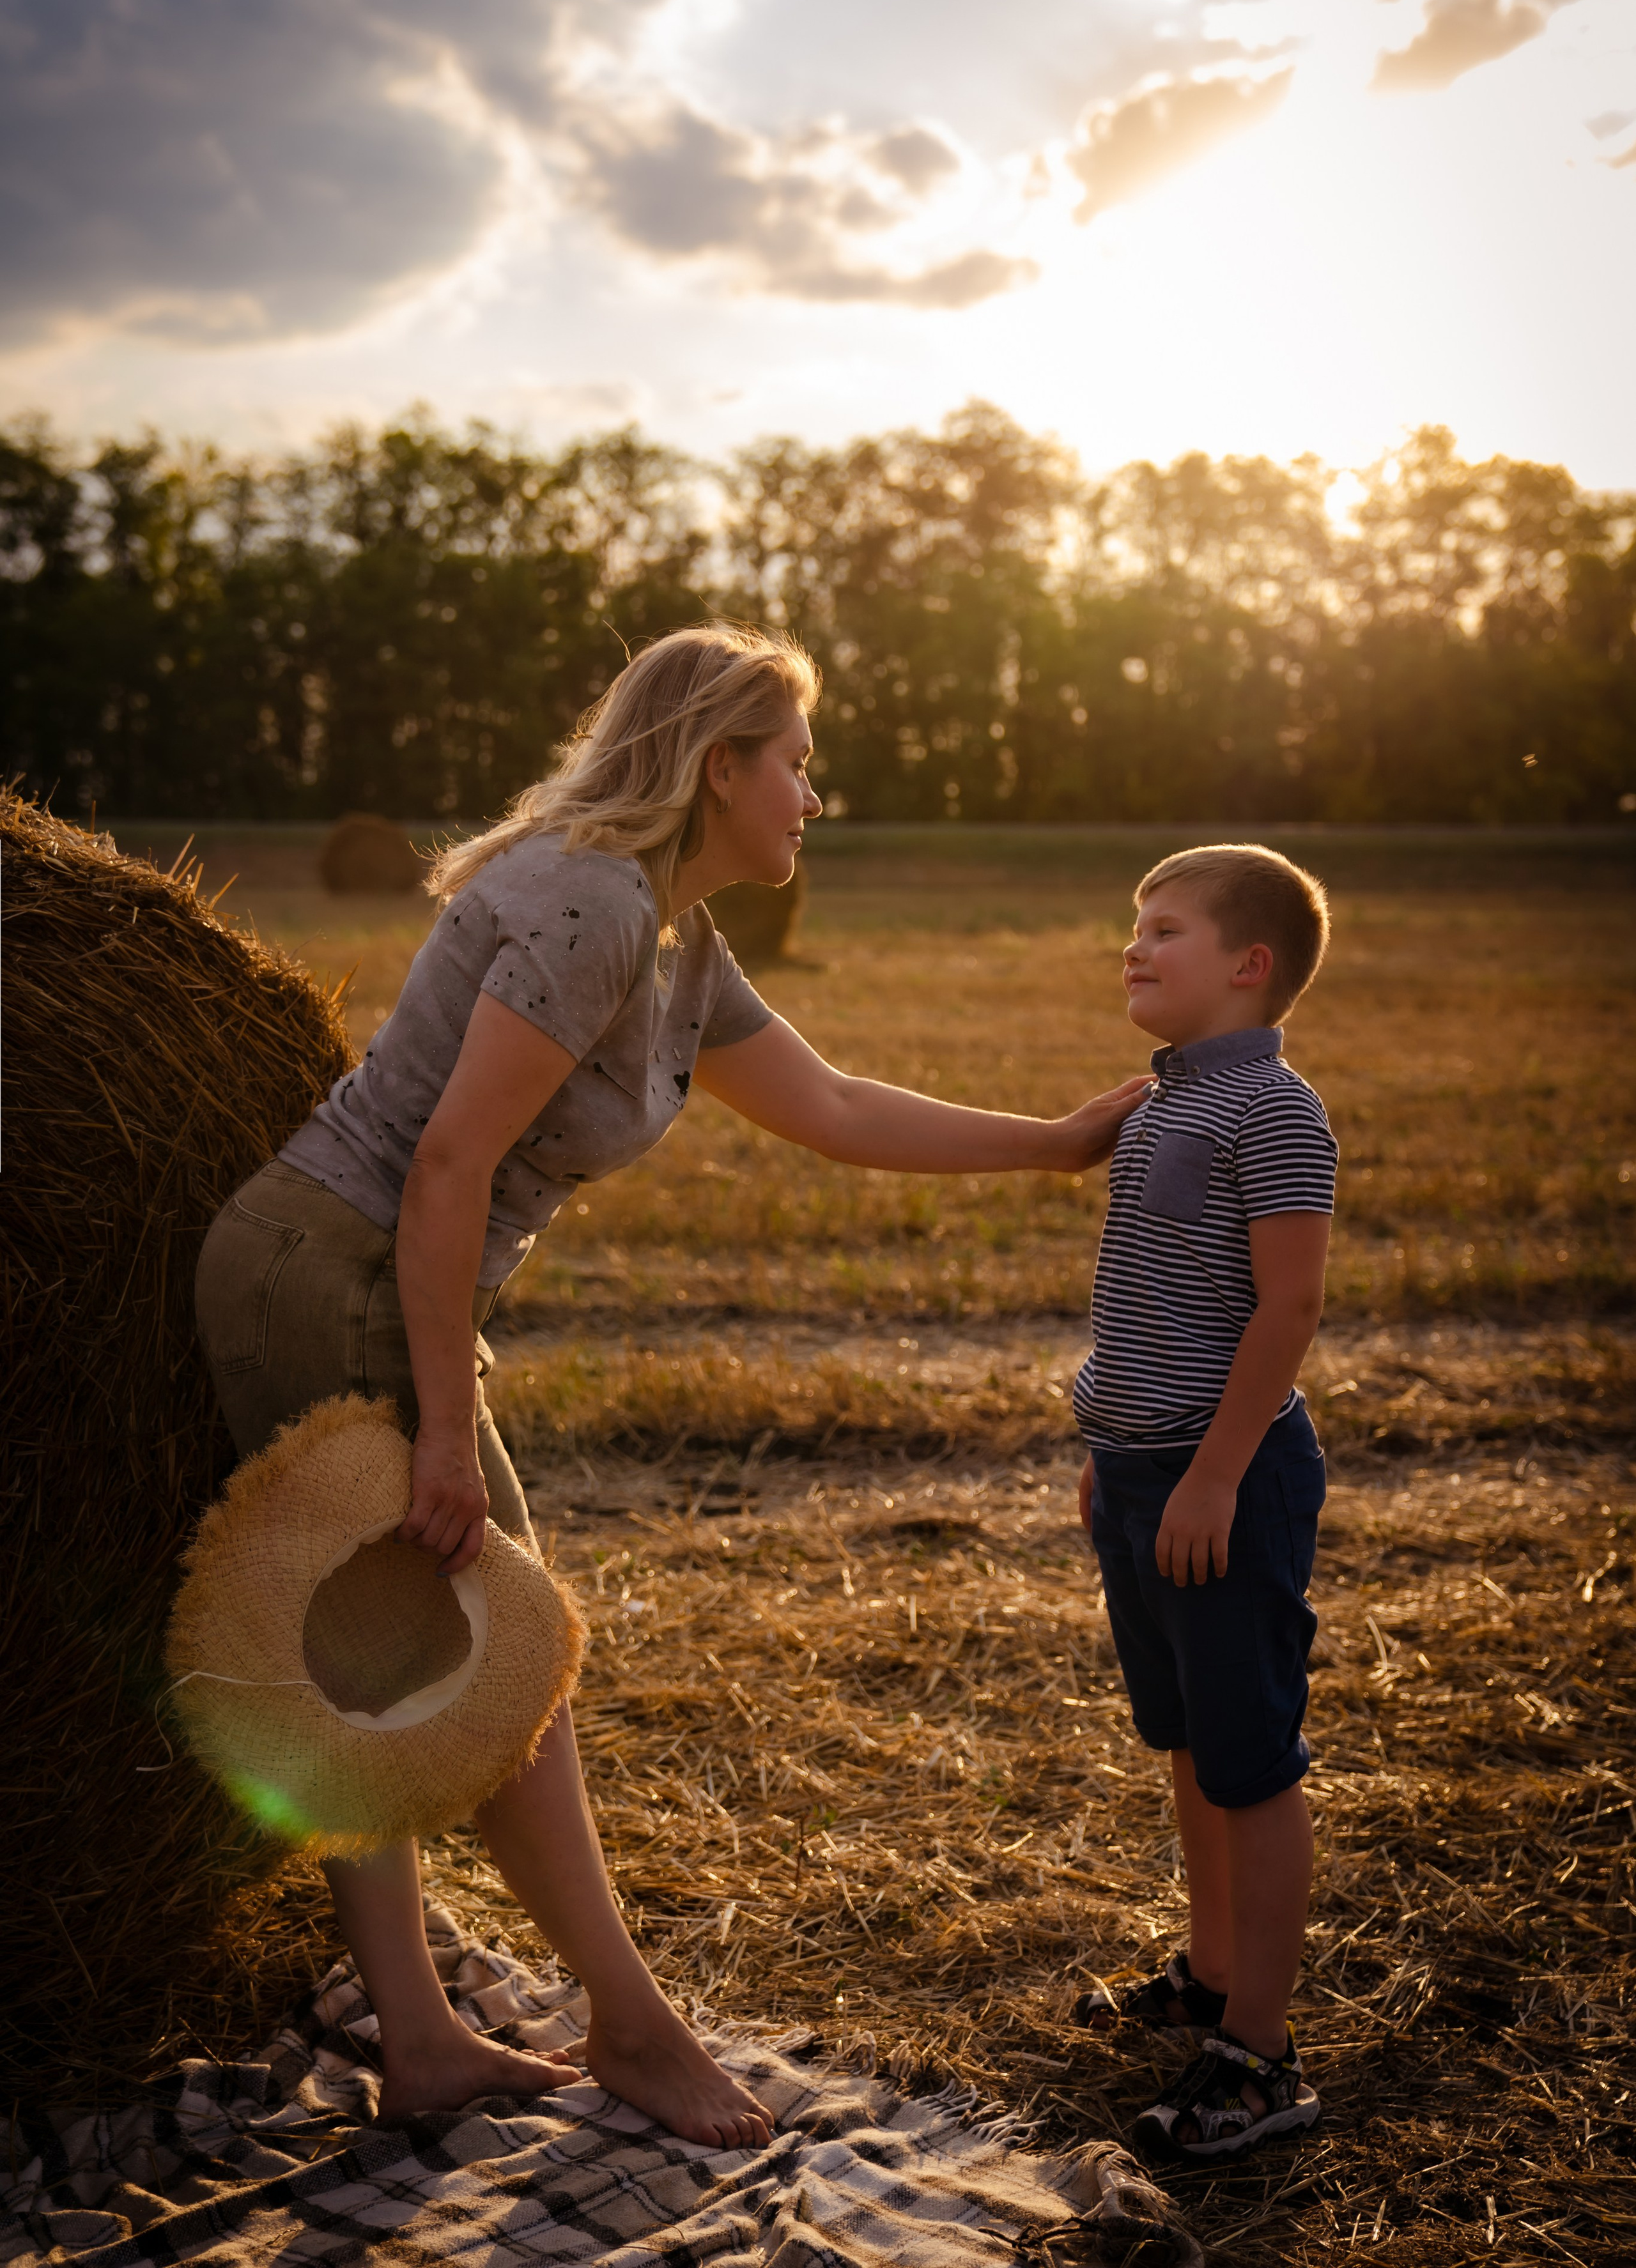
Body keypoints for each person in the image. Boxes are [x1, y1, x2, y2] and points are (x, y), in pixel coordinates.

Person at [196, 623, 1152, 2148]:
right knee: (503, 1657)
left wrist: (1050, 1145)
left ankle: (426, 2039)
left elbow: (831, 1107)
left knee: (381, 1655)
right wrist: (445, 1434)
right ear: (718, 768)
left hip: (371, 1269)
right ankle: (630, 2031)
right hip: (333, 1269)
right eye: (796, 764)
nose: (811, 798)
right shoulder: (592, 905)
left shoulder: (673, 941)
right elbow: (445, 1167)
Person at [1070, 843, 1336, 2163]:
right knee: (1184, 1740)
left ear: (1248, 965)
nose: (1134, 945)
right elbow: (1146, 1295)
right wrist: (1108, 1452)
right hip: (1142, 1474)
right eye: (1135, 924)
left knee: (1249, 1763)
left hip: (1221, 1480)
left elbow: (1287, 1307)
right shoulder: (1162, 1102)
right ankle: (1212, 1968)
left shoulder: (1273, 1111)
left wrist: (1216, 1474)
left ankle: (1261, 2056)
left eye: (1164, 928)